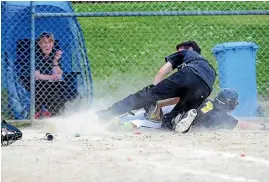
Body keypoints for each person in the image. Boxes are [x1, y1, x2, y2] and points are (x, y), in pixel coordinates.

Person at [97, 40, 217, 130]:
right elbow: (185, 92)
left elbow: (163, 70)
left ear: (190, 49)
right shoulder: (210, 69)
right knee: (169, 122)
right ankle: (177, 119)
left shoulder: (188, 54)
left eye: (179, 50)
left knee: (144, 96)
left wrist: (153, 90)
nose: (177, 52)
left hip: (189, 74)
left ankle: (108, 113)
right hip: (205, 88)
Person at [146, 88, 269, 133]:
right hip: (193, 123)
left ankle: (183, 117)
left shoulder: (206, 100)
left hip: (174, 111)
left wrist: (160, 104)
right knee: (150, 124)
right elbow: (243, 124)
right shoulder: (222, 117)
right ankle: (187, 123)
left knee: (144, 119)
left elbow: (179, 98)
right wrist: (263, 126)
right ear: (230, 105)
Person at [34, 32, 64, 118]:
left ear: (53, 44)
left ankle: (54, 114)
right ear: (40, 44)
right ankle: (38, 112)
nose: (47, 45)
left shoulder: (54, 54)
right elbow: (37, 76)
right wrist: (52, 77)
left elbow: (59, 74)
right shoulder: (36, 55)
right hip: (37, 83)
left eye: (50, 42)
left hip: (51, 83)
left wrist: (55, 61)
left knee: (59, 87)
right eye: (44, 42)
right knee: (41, 86)